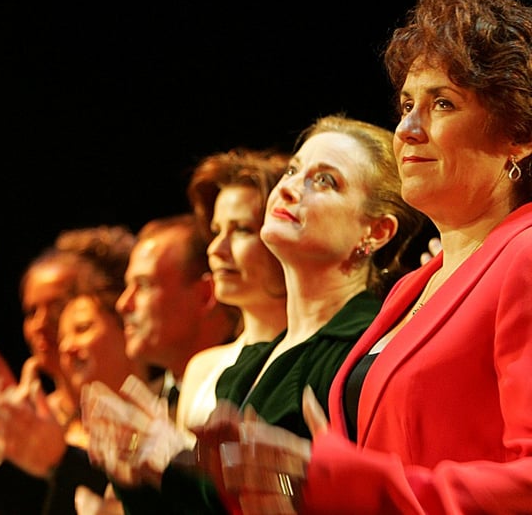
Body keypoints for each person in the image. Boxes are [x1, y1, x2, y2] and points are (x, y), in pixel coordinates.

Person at [216, 0, 532, 514]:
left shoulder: (523, 257)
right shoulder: (412, 287)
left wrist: (357, 482)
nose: (406, 129)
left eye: (443, 104)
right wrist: (281, 482)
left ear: (519, 135)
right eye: (407, 104)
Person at [83, 114, 427, 514]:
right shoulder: (250, 362)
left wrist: (173, 463)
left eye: (325, 181)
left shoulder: (367, 352)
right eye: (295, 170)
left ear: (376, 232)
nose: (292, 188)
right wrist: (145, 473)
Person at [76, 148, 290, 515]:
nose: (217, 248)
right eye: (217, 230)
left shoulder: (310, 355)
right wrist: (134, 482)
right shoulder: (202, 369)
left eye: (241, 229)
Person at [0, 226, 138, 515]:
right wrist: (3, 447)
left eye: (57, 307)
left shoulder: (148, 405)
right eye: (31, 311)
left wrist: (58, 458)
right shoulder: (29, 413)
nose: (39, 325)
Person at [117, 214, 242, 421]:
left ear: (205, 295)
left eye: (144, 285)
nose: (122, 304)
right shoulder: (139, 412)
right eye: (128, 285)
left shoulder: (249, 390)